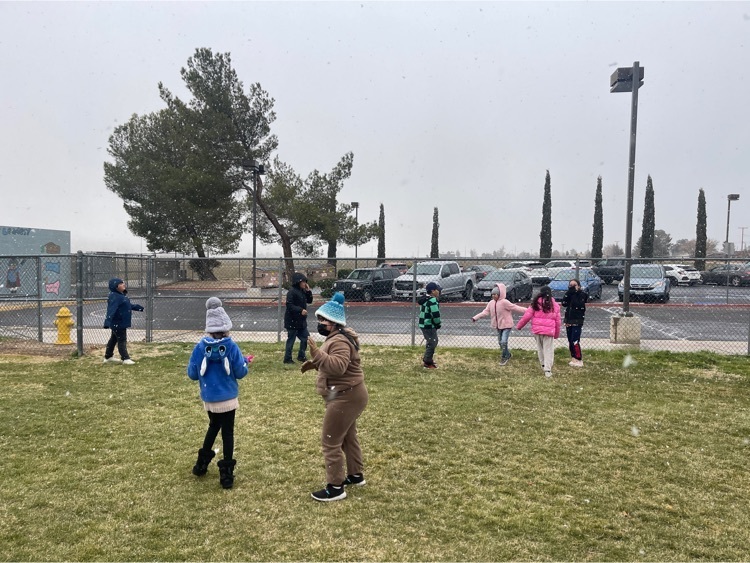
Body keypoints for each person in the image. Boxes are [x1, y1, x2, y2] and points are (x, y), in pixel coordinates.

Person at [300, 292, 368, 502]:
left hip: (345, 397)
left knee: (330, 441)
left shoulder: (339, 341)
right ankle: (355, 475)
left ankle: (335, 487)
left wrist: (316, 354)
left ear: (334, 323)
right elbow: (336, 363)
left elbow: (338, 367)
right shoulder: (337, 338)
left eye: (323, 320)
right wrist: (315, 364)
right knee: (348, 436)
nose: (320, 323)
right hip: (349, 394)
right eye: (319, 319)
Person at [187, 297, 252, 489]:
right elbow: (240, 372)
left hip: (210, 396)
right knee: (227, 432)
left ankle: (201, 464)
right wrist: (245, 363)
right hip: (228, 397)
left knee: (213, 426)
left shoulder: (200, 347)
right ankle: (226, 474)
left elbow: (192, 374)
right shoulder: (231, 347)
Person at [472, 283, 526, 365]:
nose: (494, 296)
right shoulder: (491, 303)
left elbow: (515, 308)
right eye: (492, 294)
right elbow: (485, 312)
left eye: (495, 294)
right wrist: (475, 317)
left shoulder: (505, 302)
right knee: (500, 343)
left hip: (506, 326)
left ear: (500, 294)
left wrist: (529, 311)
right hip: (498, 326)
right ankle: (508, 354)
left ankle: (504, 357)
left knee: (503, 342)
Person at [516, 285, 561, 378]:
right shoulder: (555, 305)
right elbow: (558, 321)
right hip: (549, 331)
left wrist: (519, 326)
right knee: (548, 350)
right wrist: (556, 334)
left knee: (540, 349)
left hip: (537, 331)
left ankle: (543, 364)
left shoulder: (535, 303)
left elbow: (527, 316)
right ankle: (547, 369)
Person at [103, 278, 144, 365]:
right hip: (118, 323)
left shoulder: (120, 296)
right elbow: (111, 310)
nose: (123, 284)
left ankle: (108, 356)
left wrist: (138, 308)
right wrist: (107, 322)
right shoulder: (115, 296)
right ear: (116, 286)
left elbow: (127, 305)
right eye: (121, 284)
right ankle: (125, 358)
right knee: (122, 340)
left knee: (113, 339)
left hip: (120, 323)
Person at [283, 272, 313, 365]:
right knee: (291, 340)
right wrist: (300, 310)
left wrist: (308, 291)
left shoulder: (303, 291)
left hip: (301, 321)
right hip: (292, 321)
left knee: (306, 338)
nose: (305, 283)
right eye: (303, 282)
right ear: (298, 282)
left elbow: (309, 301)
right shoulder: (292, 292)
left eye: (305, 282)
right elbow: (289, 305)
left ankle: (301, 356)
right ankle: (287, 358)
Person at [561, 278, 587, 367]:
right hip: (569, 320)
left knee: (575, 340)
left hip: (577, 320)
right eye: (570, 285)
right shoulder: (569, 294)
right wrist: (569, 293)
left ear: (579, 286)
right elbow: (564, 303)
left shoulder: (582, 294)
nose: (572, 287)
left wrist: (575, 293)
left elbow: (579, 304)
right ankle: (573, 357)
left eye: (574, 285)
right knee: (570, 340)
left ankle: (578, 358)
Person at [418, 282, 442, 368]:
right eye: (437, 290)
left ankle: (428, 359)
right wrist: (438, 323)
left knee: (430, 341)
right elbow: (435, 314)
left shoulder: (424, 299)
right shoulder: (432, 301)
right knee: (433, 342)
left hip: (423, 324)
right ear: (432, 291)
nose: (439, 292)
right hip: (429, 325)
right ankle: (427, 361)